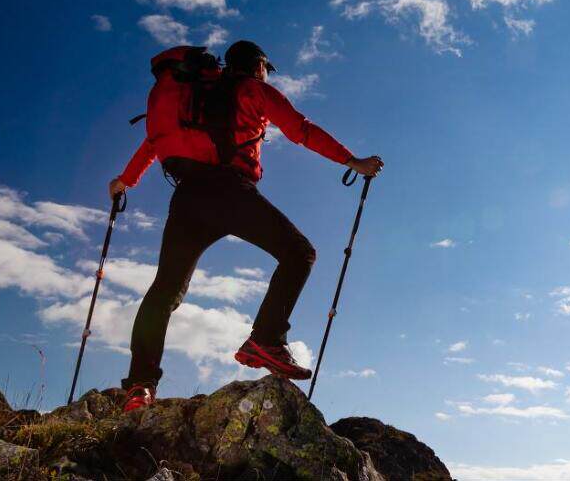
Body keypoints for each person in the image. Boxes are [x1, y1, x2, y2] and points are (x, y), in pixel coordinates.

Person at [110, 40, 383, 412]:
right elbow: (300, 130)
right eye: (266, 69)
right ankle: (266, 339)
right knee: (299, 253)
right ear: (257, 67)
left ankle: (139, 385)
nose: (266, 75)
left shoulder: (194, 96)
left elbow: (153, 143)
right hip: (229, 191)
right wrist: (352, 161)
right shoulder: (254, 90)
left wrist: (125, 181)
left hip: (188, 196)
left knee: (165, 291)